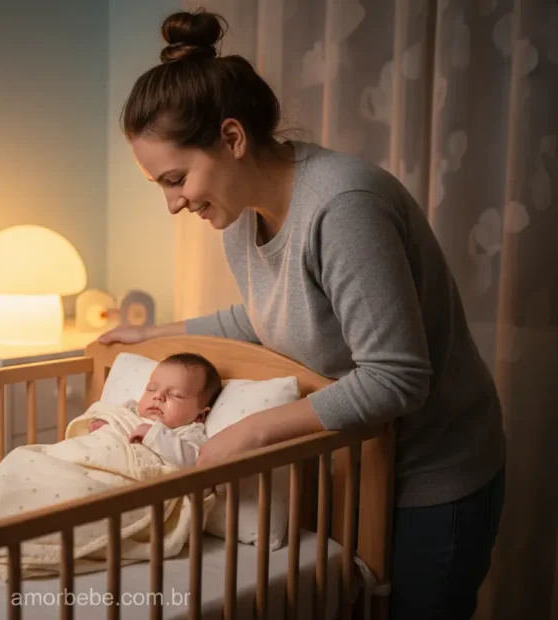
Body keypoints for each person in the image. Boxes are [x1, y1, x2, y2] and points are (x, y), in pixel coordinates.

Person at [98, 9, 506, 620]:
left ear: (232, 139)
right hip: (360, 469)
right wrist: (154, 334)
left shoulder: (343, 207)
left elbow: (397, 377)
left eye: (177, 179)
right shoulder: (240, 217)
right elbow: (266, 319)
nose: (173, 203)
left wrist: (252, 431)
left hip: (431, 473)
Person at [89, 352, 222, 467]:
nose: (158, 396)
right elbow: (112, 415)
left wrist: (154, 435)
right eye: (151, 389)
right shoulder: (130, 409)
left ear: (200, 415)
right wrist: (104, 423)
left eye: (175, 394)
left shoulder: (189, 432)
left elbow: (192, 461)